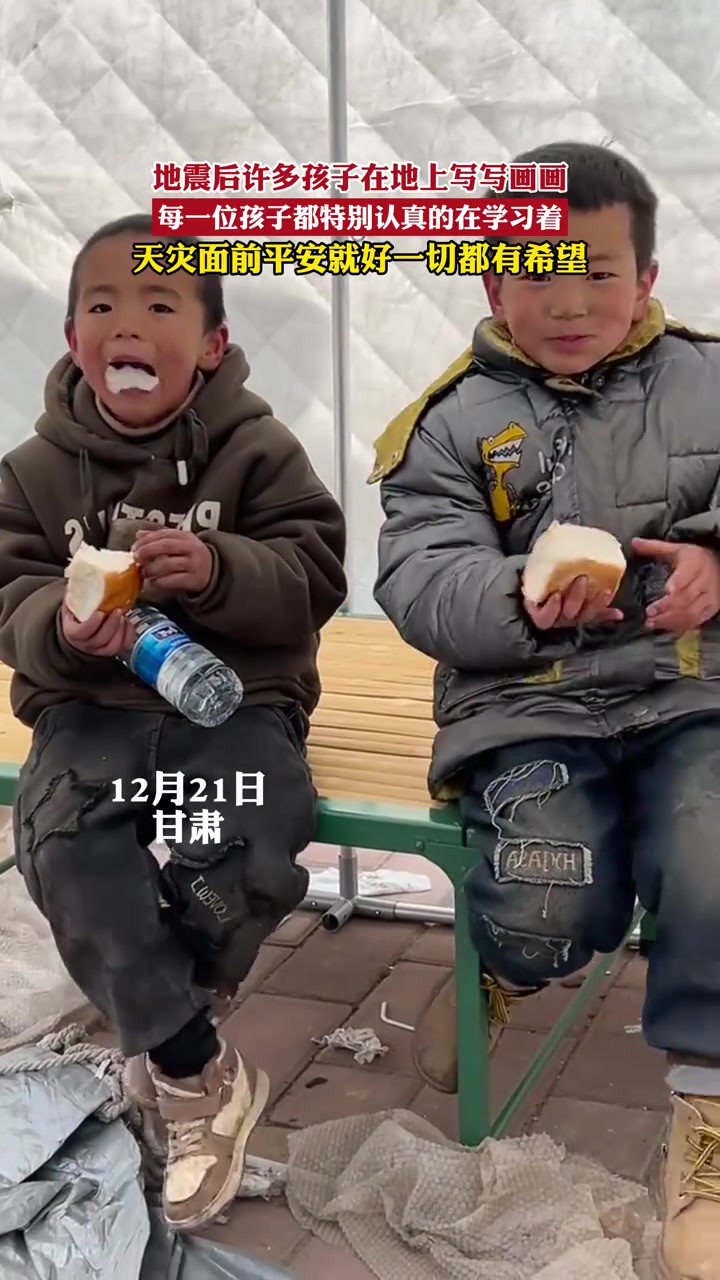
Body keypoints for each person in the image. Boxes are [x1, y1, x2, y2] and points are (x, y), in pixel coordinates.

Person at [371, 140, 720, 1277]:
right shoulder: (449, 421)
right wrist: (518, 594)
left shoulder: (711, 378)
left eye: (599, 270)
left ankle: (707, 1128)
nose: (568, 299)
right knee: (548, 889)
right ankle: (505, 963)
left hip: (689, 686)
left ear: (648, 278)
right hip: (525, 705)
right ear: (488, 280)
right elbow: (418, 577)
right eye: (536, 268)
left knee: (711, 850)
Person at [0, 214, 347, 1232]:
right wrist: (63, 626)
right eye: (102, 306)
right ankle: (200, 1071)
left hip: (234, 702)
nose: (128, 325)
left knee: (238, 835)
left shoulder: (257, 449)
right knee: (64, 845)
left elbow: (316, 572)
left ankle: (166, 1011)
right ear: (75, 343)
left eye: (160, 305)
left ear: (210, 345)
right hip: (92, 708)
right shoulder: (32, 472)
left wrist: (226, 567)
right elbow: (7, 596)